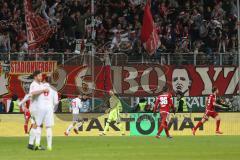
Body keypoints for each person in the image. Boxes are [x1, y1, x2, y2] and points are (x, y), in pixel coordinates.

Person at [27, 70, 49, 150]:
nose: (41, 77)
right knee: (38, 126)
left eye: (41, 76)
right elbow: (32, 93)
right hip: (35, 108)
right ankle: (36, 144)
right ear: (35, 77)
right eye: (39, 76)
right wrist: (43, 90)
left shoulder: (40, 84)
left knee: (36, 126)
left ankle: (31, 144)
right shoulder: (34, 84)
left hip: (38, 108)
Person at [36, 79, 58, 151]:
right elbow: (56, 102)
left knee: (39, 126)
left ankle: (37, 143)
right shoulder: (54, 90)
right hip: (49, 108)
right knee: (48, 127)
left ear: (43, 81)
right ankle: (49, 146)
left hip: (40, 108)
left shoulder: (39, 88)